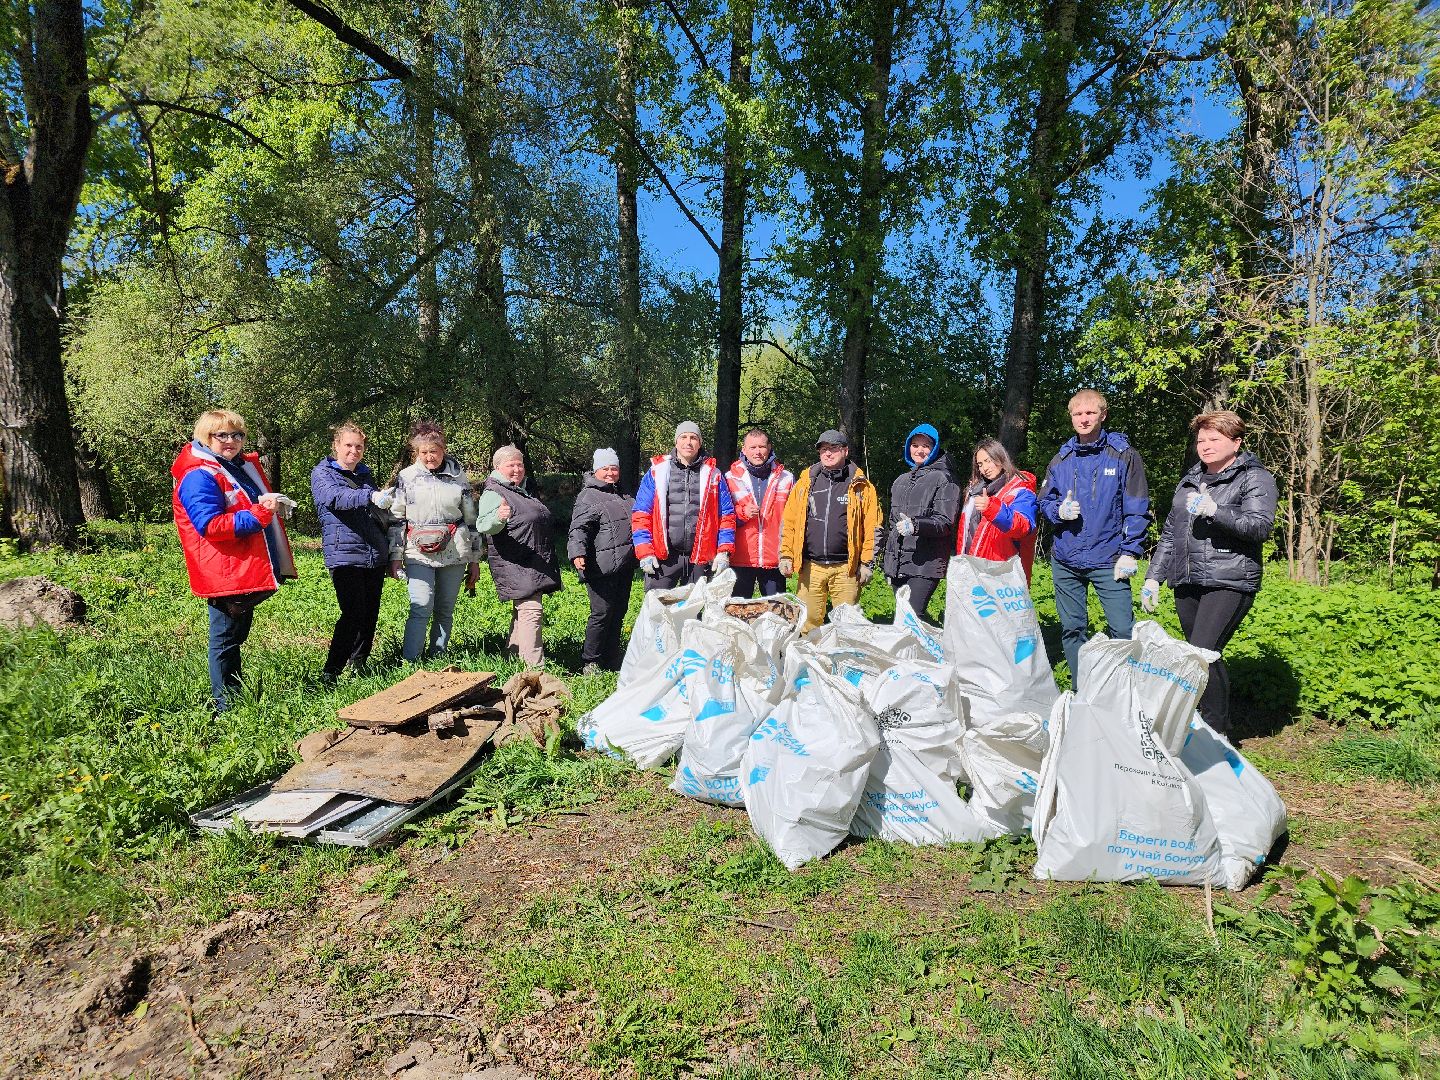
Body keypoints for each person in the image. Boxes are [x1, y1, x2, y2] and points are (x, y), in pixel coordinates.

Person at [1142, 410, 1277, 737]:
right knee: (1198, 655)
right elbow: (1172, 533)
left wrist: (1217, 512)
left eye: (1214, 439)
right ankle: (1208, 724)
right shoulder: (1190, 479)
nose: (1205, 446)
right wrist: (1152, 577)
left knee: (1202, 653)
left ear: (1236, 442)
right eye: (1201, 440)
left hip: (1228, 579)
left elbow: (1260, 527)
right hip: (1187, 580)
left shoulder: (1254, 478)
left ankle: (1216, 733)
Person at [171, 409, 297, 711]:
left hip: (239, 567)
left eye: (237, 434)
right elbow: (211, 526)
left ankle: (233, 697)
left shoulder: (230, 467)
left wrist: (265, 505)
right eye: (222, 435)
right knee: (225, 639)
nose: (232, 440)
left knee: (235, 636)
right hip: (223, 570)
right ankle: (225, 706)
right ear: (205, 437)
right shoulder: (198, 475)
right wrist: (259, 514)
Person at [1037, 389, 1151, 689]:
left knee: (1122, 628)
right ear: (1071, 416)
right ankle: (1082, 689)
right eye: (1078, 413)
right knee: (1073, 628)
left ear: (1103, 414)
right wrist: (1059, 511)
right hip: (1066, 559)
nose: (1084, 419)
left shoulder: (1123, 455)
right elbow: (1043, 502)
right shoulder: (1061, 459)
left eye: (1090, 413)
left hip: (1109, 559)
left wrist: (1131, 551)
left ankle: (1123, 690)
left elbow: (1137, 506)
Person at [387, 422, 481, 662]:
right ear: (416, 453)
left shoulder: (458, 477)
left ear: (443, 449)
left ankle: (438, 656)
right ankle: (411, 661)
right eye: (424, 452)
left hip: (455, 551)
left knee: (445, 608)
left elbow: (471, 520)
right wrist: (395, 557)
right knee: (421, 604)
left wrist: (475, 559)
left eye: (434, 451)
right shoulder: (406, 477)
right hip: (417, 552)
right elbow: (396, 519)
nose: (430, 457)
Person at [780, 429, 882, 633]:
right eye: (823, 449)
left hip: (847, 568)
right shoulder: (805, 483)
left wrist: (867, 563)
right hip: (811, 567)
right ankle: (808, 662)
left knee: (848, 626)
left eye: (833, 449)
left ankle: (844, 663)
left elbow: (873, 527)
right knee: (807, 624)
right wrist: (786, 554)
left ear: (845, 451)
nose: (827, 453)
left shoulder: (862, 486)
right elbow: (789, 522)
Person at [310, 421, 389, 682]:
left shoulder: (364, 476)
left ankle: (359, 665)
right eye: (348, 445)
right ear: (336, 446)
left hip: (372, 554)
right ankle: (331, 671)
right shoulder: (322, 474)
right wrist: (370, 496)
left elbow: (374, 513)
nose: (353, 451)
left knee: (369, 613)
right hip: (344, 555)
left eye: (358, 446)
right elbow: (335, 498)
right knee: (352, 613)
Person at [479, 444, 562, 667]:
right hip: (515, 562)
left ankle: (511, 659)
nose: (517, 469)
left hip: (531, 562)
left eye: (520, 464)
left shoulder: (519, 489)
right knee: (531, 611)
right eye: (511, 465)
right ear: (498, 467)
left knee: (522, 612)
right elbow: (483, 524)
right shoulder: (494, 492)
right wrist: (498, 517)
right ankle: (535, 670)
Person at [631, 421, 736, 590]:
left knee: (695, 612)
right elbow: (641, 514)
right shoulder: (657, 472)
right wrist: (645, 551)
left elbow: (727, 515)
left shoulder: (714, 475)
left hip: (700, 558)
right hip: (664, 557)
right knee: (657, 611)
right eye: (683, 437)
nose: (688, 442)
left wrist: (723, 551)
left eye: (693, 438)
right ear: (676, 442)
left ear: (700, 443)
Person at [568, 447, 637, 674]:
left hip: (623, 566)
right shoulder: (588, 496)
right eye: (605, 469)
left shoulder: (623, 494)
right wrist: (577, 553)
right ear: (596, 470)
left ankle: (611, 657)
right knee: (601, 613)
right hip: (600, 566)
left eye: (614, 468)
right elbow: (579, 528)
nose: (610, 473)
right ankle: (591, 660)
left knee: (619, 612)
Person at [881, 423, 959, 621]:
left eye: (926, 446)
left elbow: (945, 522)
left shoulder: (944, 478)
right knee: (902, 617)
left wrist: (916, 525)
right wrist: (888, 557)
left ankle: (930, 651)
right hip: (899, 562)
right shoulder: (901, 480)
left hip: (926, 562)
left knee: (913, 617)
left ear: (934, 448)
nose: (920, 450)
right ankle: (909, 653)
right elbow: (892, 524)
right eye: (915, 445)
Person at [724, 428, 794, 598]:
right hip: (741, 558)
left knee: (775, 613)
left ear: (769, 447)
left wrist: (789, 554)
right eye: (753, 447)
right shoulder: (730, 478)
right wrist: (742, 513)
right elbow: (721, 517)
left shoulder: (786, 478)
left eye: (762, 447)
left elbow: (794, 520)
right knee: (738, 613)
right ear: (744, 449)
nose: (758, 452)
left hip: (773, 558)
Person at [957, 437, 1038, 582]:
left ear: (1000, 457)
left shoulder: (1020, 489)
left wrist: (992, 508)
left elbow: (1023, 527)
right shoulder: (975, 491)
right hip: (972, 571)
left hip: (1003, 574)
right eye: (980, 464)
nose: (984, 468)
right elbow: (966, 535)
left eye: (988, 461)